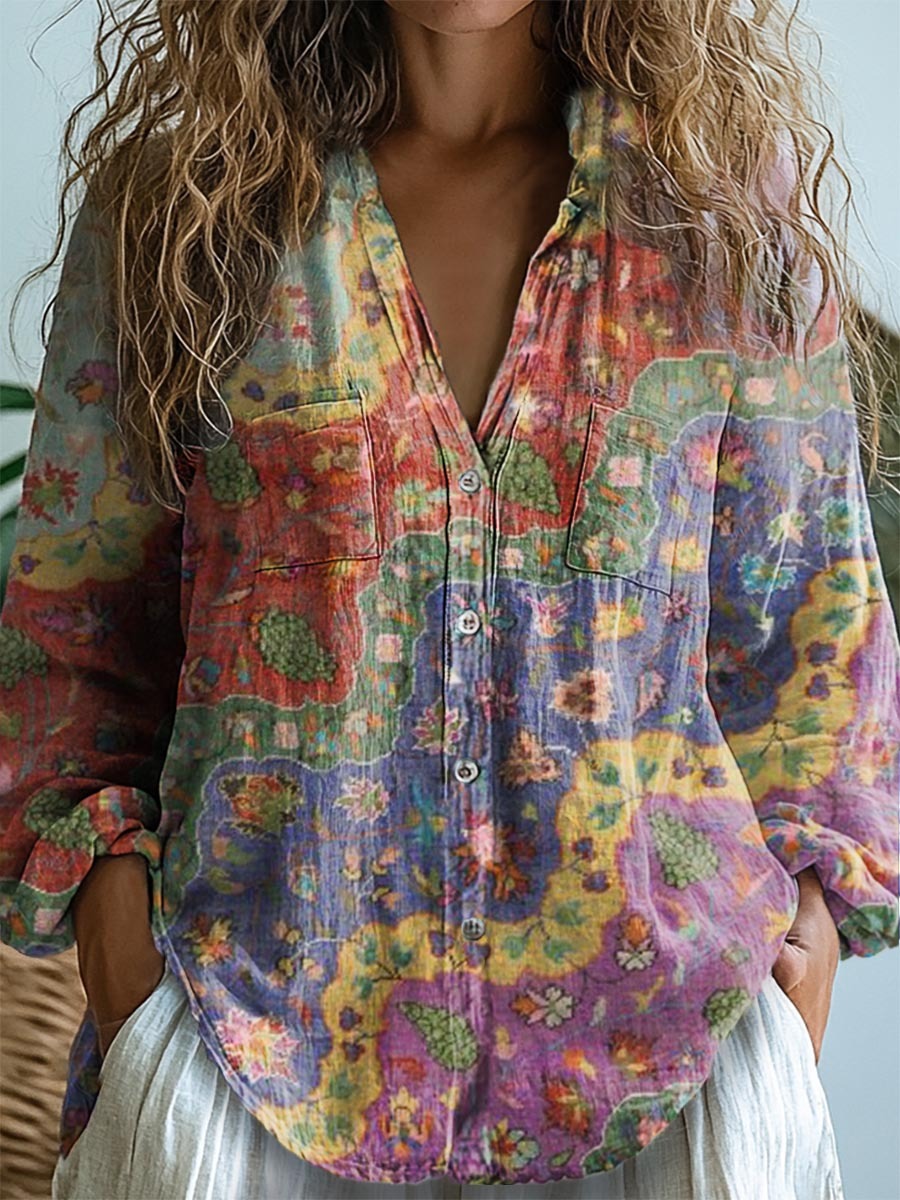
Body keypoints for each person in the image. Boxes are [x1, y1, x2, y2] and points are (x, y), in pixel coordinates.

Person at [1, 1, 897, 1197]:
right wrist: (124, 956)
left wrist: (805, 954)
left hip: (670, 1074)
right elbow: (73, 636)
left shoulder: (718, 215)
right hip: (245, 1061)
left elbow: (812, 635)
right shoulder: (182, 216)